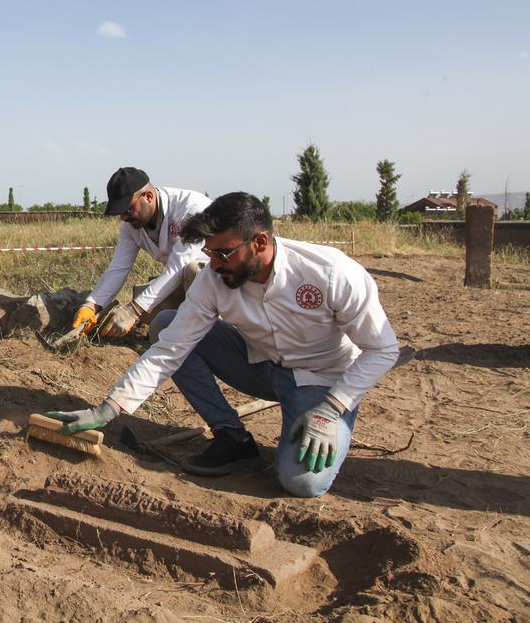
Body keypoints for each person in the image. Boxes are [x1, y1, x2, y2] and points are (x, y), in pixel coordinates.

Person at [46, 192, 402, 498]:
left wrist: (333, 407)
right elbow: (171, 348)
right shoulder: (214, 278)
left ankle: (318, 420)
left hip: (322, 381)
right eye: (209, 253)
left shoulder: (331, 273)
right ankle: (233, 439)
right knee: (167, 324)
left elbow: (383, 349)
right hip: (259, 365)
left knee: (302, 482)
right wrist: (107, 409)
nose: (212, 265)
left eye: (223, 254)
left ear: (259, 243)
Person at [71, 167, 211, 339]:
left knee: (192, 270)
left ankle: (212, 335)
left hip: (221, 285)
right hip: (184, 282)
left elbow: (179, 266)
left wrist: (134, 310)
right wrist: (92, 304)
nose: (123, 218)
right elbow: (118, 268)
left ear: (149, 197)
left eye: (127, 210)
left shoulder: (191, 209)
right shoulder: (131, 226)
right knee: (144, 299)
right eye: (120, 213)